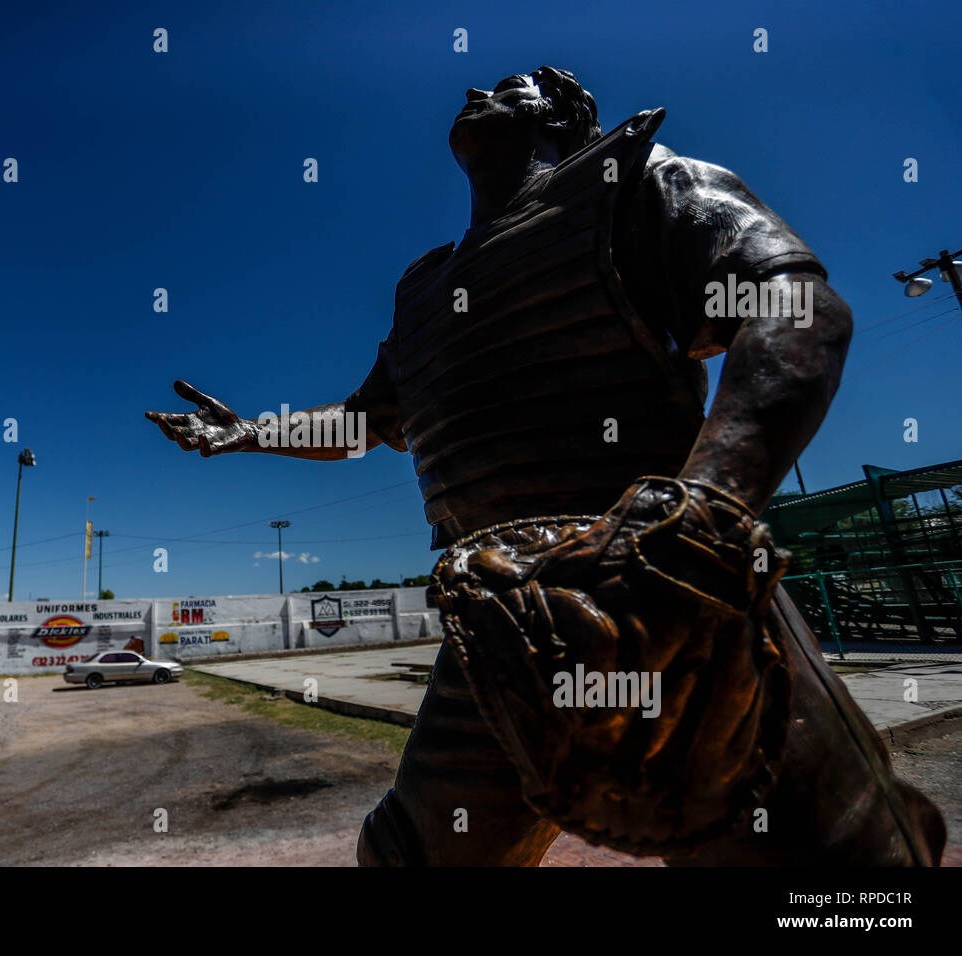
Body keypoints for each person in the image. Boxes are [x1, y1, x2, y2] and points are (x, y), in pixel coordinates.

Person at [146, 67, 944, 866]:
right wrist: (246, 432)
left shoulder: (638, 185)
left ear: (560, 112)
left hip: (664, 591)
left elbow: (798, 309)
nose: (470, 91)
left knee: (834, 868)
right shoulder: (425, 292)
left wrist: (703, 511)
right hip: (502, 621)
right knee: (415, 856)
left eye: (506, 84)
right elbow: (364, 422)